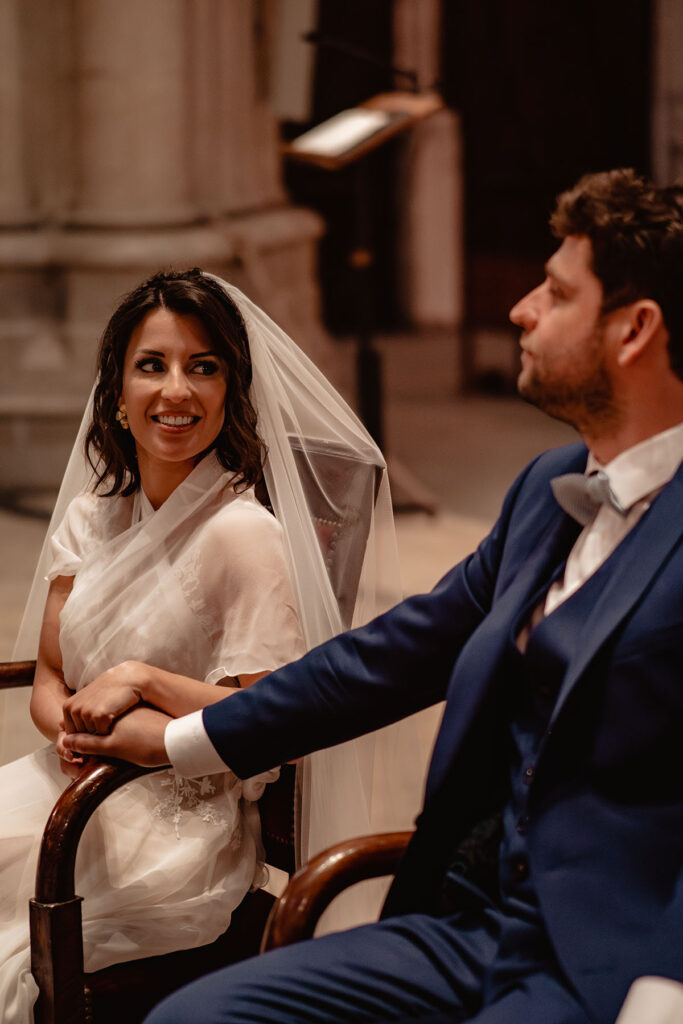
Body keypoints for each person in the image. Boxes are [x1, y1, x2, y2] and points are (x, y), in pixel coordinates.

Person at [65, 168, 683, 1024]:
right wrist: (177, 740)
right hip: (466, 926)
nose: (521, 310)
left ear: (634, 329)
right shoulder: (547, 492)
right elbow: (379, 662)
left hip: (615, 963)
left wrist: (661, 1000)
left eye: (555, 291)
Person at [2, 269, 419, 1023]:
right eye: (151, 365)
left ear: (230, 390)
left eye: (203, 367)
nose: (177, 390)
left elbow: (275, 716)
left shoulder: (242, 535)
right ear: (117, 391)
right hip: (68, 780)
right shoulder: (93, 517)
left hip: (173, 829)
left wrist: (142, 684)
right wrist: (70, 727)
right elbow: (50, 675)